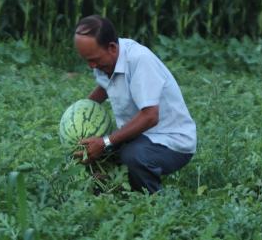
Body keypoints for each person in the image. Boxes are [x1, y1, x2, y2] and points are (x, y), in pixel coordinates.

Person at [73, 15, 197, 193]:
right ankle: (111, 196)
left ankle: (152, 204)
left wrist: (105, 141)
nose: (92, 66)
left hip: (171, 141)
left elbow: (150, 116)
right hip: (136, 136)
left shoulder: (140, 60)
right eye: (87, 60)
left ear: (112, 48)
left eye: (94, 60)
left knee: (132, 156)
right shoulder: (104, 61)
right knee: (89, 151)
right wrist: (79, 114)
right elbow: (104, 87)